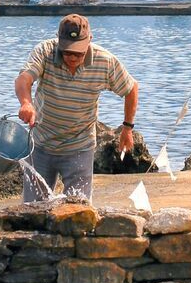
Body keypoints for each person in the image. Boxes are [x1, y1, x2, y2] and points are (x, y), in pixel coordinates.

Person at [15, 14, 138, 203]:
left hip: (79, 146)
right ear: (59, 41)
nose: (72, 57)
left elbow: (131, 89)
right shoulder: (45, 51)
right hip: (41, 143)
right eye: (67, 52)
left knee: (78, 209)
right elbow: (24, 79)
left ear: (89, 40)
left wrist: (127, 128)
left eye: (78, 53)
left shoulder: (104, 61)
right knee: (32, 209)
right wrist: (26, 103)